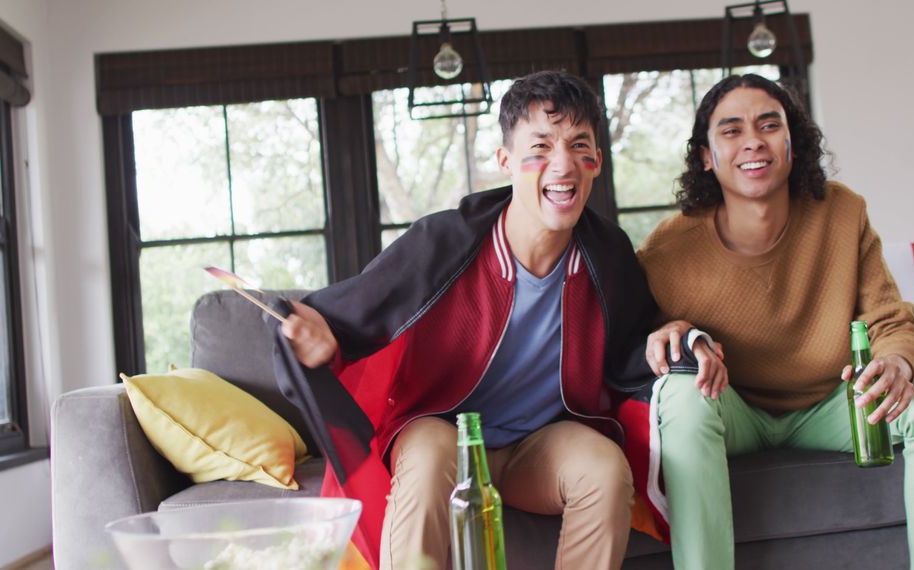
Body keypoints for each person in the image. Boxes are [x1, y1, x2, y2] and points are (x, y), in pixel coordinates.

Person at [275, 70, 658, 570]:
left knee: (604, 468)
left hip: (539, 445)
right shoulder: (443, 243)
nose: (562, 165)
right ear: (505, 161)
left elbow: (636, 346)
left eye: (578, 145)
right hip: (442, 434)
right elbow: (345, 317)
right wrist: (320, 340)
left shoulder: (607, 254)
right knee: (432, 450)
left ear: (596, 163)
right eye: (539, 147)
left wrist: (674, 337)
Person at [637, 74, 914, 569]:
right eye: (731, 130)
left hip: (835, 406)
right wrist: (676, 336)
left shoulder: (841, 212)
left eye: (769, 124)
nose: (753, 140)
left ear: (793, 144)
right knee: (681, 395)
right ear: (706, 156)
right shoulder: (668, 249)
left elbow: (889, 317)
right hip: (734, 412)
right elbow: (641, 343)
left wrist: (898, 361)